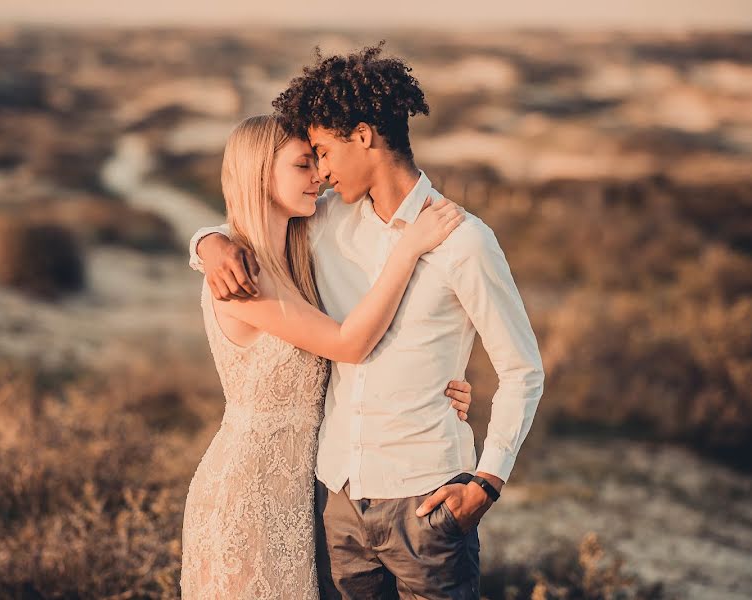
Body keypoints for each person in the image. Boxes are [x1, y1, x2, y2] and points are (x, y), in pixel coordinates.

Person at [189, 44, 545, 600]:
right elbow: (256, 215)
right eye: (311, 159)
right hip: (338, 503)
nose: (322, 172)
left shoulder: (463, 239)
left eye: (324, 152)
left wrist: (488, 481)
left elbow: (522, 369)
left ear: (362, 136)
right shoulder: (326, 223)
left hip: (426, 500)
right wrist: (207, 244)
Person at [181, 113, 470, 599]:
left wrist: (434, 383)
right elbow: (348, 344)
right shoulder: (243, 276)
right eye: (301, 165)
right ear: (258, 175)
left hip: (303, 497)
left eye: (317, 161)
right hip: (247, 493)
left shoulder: (295, 256)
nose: (318, 175)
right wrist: (410, 247)